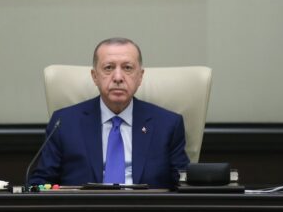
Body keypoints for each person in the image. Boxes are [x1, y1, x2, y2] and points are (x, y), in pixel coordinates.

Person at [28, 37, 189, 188]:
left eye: (127, 68)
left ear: (140, 77)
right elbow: (41, 182)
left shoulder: (167, 125)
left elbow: (184, 184)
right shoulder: (63, 123)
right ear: (95, 76)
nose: (118, 77)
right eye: (108, 68)